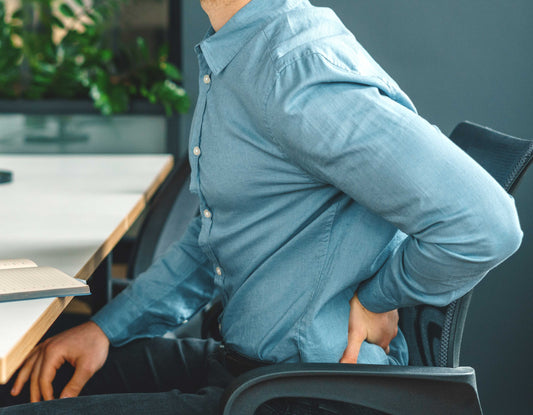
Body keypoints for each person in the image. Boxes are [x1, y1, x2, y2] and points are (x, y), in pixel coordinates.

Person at [0, 0, 523, 414]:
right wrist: (105, 329)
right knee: (21, 382)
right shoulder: (239, 51)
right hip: (250, 369)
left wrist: (381, 296)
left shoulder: (290, 69)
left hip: (304, 393)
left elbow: (485, 222)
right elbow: (212, 245)